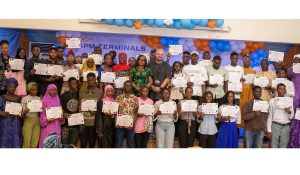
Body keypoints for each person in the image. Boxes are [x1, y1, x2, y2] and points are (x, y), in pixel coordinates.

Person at [79, 72, 102, 148]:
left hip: (94, 123)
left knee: (92, 144)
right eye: (89, 80)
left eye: (92, 80)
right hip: (84, 122)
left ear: (95, 80)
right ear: (86, 80)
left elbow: (101, 107)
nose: (90, 82)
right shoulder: (81, 91)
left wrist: (96, 111)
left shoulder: (100, 91)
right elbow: (79, 106)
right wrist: (80, 122)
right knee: (83, 143)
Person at [267, 83, 294, 148]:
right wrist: (269, 130)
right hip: (275, 126)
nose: (282, 91)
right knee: (274, 146)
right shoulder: (272, 101)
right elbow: (270, 116)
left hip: (286, 126)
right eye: (280, 89)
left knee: (283, 147)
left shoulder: (290, 100)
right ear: (277, 90)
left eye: (283, 89)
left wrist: (289, 112)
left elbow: (291, 116)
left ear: (285, 91)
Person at [115, 80, 138, 148]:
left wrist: (133, 123)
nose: (127, 87)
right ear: (123, 86)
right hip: (120, 126)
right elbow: (115, 111)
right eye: (126, 85)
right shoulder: (118, 98)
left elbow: (136, 112)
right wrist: (116, 122)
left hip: (130, 125)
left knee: (130, 144)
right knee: (118, 144)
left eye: (129, 85)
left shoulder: (135, 98)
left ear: (131, 87)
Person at [0, 78, 22, 148]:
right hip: (5, 123)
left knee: (15, 140)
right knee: (4, 140)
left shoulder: (19, 98)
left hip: (16, 123)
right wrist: (1, 112)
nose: (12, 88)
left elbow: (21, 112)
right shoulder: (2, 98)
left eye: (14, 87)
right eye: (10, 86)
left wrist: (21, 114)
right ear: (6, 86)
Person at [61, 77, 80, 146]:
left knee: (73, 145)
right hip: (66, 124)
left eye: (76, 83)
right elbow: (60, 106)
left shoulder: (79, 94)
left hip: (76, 124)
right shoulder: (64, 95)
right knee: (65, 144)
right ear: (69, 84)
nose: (75, 85)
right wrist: (64, 113)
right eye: (73, 83)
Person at [21, 82, 41, 148]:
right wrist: (25, 112)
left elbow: (41, 111)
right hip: (28, 120)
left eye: (36, 89)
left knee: (34, 143)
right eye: (32, 89)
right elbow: (22, 113)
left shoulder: (39, 99)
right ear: (28, 90)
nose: (34, 91)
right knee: (27, 143)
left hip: (37, 120)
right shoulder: (24, 99)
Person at [239, 55, 256, 128]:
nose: (247, 61)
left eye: (248, 60)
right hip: (240, 94)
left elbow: (255, 84)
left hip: (250, 94)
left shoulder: (253, 71)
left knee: (248, 111)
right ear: (243, 61)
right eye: (245, 59)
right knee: (240, 110)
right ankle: (238, 129)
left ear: (250, 61)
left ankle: (247, 129)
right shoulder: (239, 70)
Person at [288, 54, 300, 148]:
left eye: (298, 60)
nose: (296, 61)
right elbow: (287, 76)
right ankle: (292, 140)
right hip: (293, 97)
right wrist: (291, 74)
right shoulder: (290, 69)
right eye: (294, 60)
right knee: (293, 118)